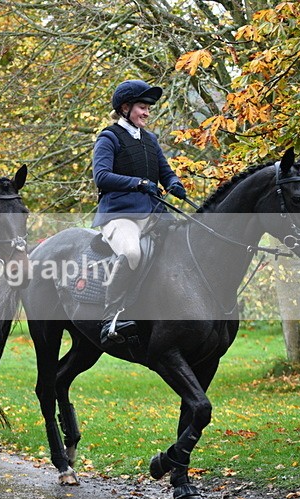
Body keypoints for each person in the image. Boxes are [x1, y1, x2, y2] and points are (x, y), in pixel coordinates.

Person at [92, 79, 187, 345]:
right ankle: (110, 316)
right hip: (119, 216)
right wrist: (138, 182)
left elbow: (165, 172)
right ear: (125, 108)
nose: (146, 113)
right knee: (132, 252)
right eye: (142, 107)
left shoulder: (150, 139)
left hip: (153, 215)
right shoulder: (109, 138)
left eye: (148, 108)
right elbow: (101, 176)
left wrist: (174, 184)